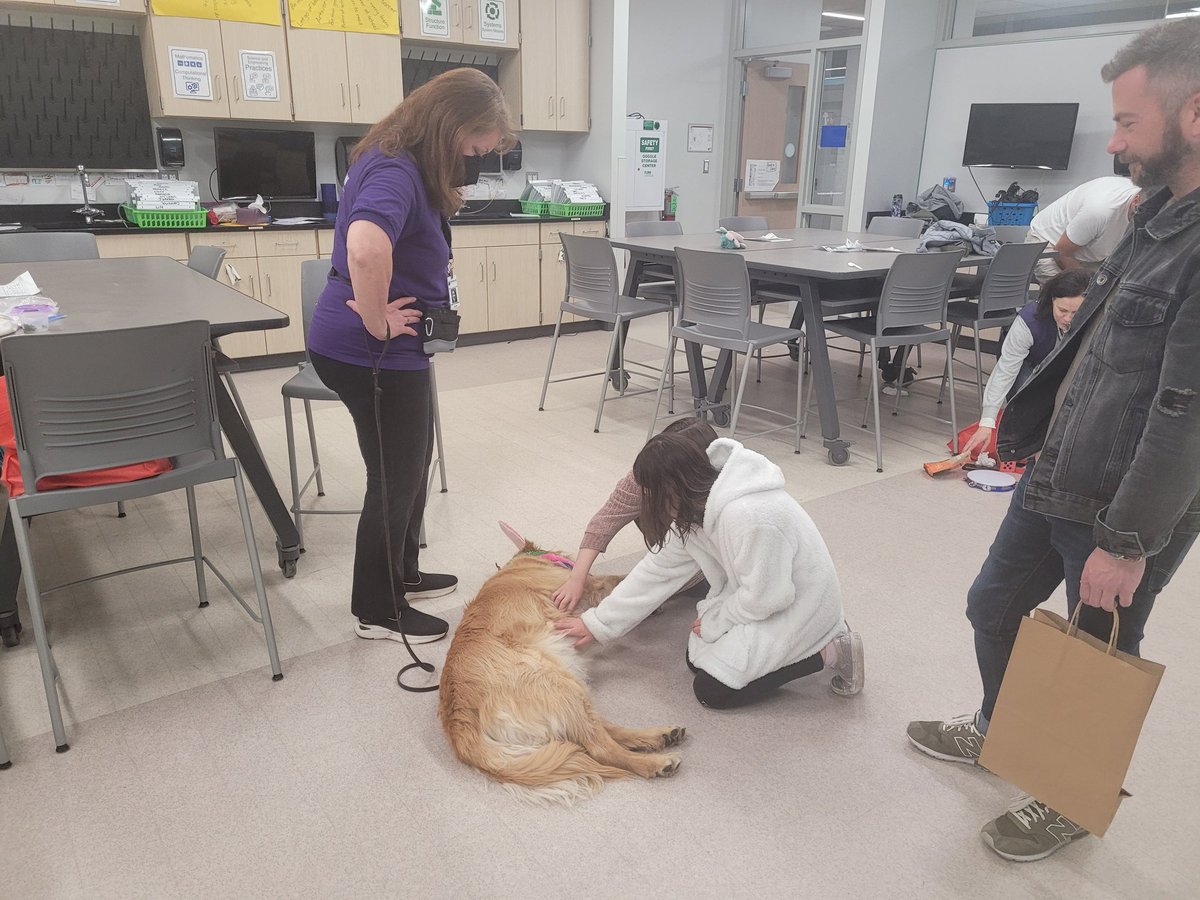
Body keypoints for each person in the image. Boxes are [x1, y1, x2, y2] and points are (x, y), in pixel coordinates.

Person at [907, 17, 1200, 863]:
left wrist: (1128, 541)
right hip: (1062, 469)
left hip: (1124, 505)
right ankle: (998, 727)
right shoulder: (1156, 218)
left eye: (1128, 122)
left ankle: (1068, 795)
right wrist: (1013, 429)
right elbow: (1093, 347)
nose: (1112, 142)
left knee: (1099, 655)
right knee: (992, 606)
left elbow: (1185, 415)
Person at [306, 68, 515, 644]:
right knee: (394, 476)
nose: (474, 162)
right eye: (474, 149)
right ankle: (378, 609)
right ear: (449, 126)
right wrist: (377, 320)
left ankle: (404, 572)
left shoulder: (403, 159)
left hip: (391, 350)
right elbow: (365, 248)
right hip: (370, 352)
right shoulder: (395, 170)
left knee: (412, 460)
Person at [555, 433, 865, 709]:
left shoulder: (750, 516)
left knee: (713, 692)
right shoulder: (694, 508)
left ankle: (831, 648)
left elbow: (770, 597)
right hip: (755, 594)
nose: (646, 501)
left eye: (650, 492)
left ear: (669, 489)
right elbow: (658, 570)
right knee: (696, 661)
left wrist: (719, 619)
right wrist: (597, 623)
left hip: (801, 605)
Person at [550, 418, 719, 613]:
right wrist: (577, 579)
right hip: (679, 549)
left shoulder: (725, 501)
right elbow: (606, 519)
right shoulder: (650, 473)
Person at [961, 270, 1090, 458]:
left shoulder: (1094, 321)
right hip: (1029, 364)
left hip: (1068, 369)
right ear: (1052, 301)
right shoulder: (1029, 321)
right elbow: (1005, 371)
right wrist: (987, 422)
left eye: (1076, 313)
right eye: (1062, 311)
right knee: (1027, 399)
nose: (1068, 319)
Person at [1025, 175, 1141, 281]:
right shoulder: (1100, 212)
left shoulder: (1145, 202)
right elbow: (1061, 253)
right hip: (1051, 244)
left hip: (1091, 249)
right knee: (1069, 293)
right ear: (1136, 201)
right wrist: (1087, 286)